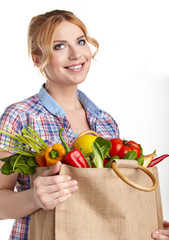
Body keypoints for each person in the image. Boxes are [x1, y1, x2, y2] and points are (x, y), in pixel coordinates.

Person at [0, 9, 168, 240]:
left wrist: (150, 223)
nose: (75, 54)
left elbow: (108, 202)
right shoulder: (21, 116)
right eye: (59, 46)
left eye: (80, 42)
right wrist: (34, 198)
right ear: (37, 58)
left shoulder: (105, 122)